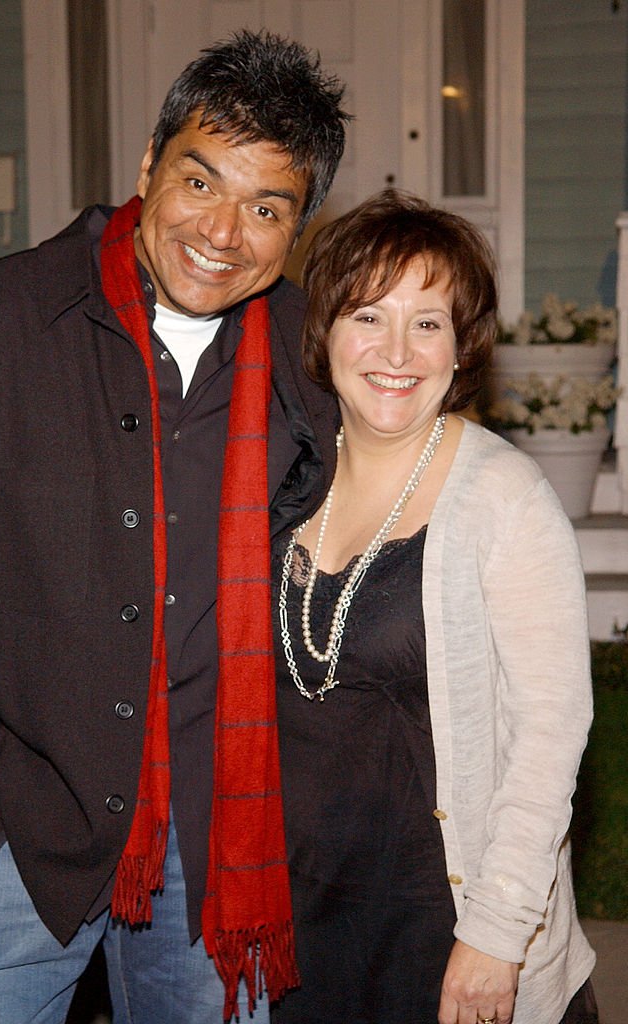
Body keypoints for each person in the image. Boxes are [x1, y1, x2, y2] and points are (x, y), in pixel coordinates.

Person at [0, 30, 349, 1024]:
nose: (223, 231)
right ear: (147, 165)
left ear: (297, 225)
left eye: (266, 208)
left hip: (222, 841)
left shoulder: (312, 363)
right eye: (201, 182)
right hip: (18, 829)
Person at [271, 191, 598, 1024]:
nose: (395, 350)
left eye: (427, 323)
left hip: (440, 919)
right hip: (297, 915)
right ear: (324, 336)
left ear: (460, 349)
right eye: (367, 315)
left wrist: (494, 935)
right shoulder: (283, 479)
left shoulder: (504, 498)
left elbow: (550, 735)